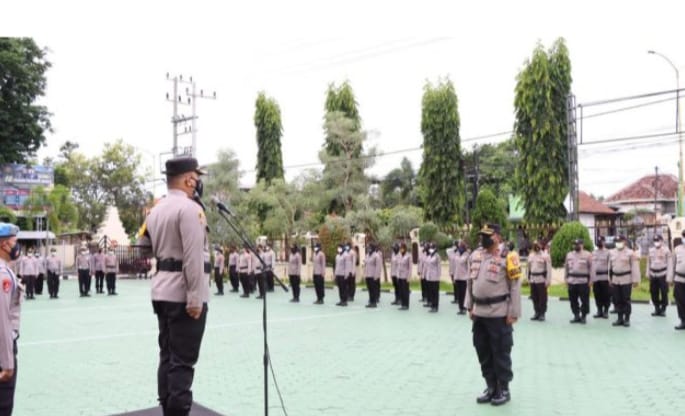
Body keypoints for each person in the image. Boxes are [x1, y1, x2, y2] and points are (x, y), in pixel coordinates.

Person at [137, 156, 210, 416]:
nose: (198, 182)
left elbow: (142, 248)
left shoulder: (155, 210)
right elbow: (193, 257)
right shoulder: (191, 210)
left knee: (167, 355)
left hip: (162, 291)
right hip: (183, 295)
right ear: (189, 179)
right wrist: (195, 298)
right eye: (196, 177)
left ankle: (168, 408)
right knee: (183, 362)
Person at [466, 224, 521, 406]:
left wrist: (513, 312)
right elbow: (469, 282)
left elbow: (515, 286)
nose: (484, 239)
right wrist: (469, 306)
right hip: (479, 313)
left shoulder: (509, 257)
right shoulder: (476, 255)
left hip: (498, 313)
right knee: (482, 350)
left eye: (487, 235)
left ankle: (503, 389)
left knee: (500, 352)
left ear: (497, 236)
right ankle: (491, 387)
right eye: (482, 235)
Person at [0, 223, 23, 414]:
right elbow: (2, 321)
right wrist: (7, 364)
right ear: (4, 245)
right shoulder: (3, 275)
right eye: (14, 241)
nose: (17, 246)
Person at [609, 235, 640, 327]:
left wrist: (635, 280)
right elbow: (609, 267)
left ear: (624, 242)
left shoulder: (630, 253)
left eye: (620, 241)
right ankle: (619, 318)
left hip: (626, 279)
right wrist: (609, 279)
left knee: (626, 299)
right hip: (615, 279)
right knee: (617, 299)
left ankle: (626, 318)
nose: (618, 243)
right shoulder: (612, 252)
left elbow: (634, 267)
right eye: (617, 241)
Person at [564, 239, 593, 324]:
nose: (576, 246)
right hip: (572, 281)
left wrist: (591, 280)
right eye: (574, 244)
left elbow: (592, 268)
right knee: (573, 300)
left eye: (578, 244)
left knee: (584, 300)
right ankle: (576, 315)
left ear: (582, 245)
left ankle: (583, 316)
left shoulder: (588, 255)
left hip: (583, 281)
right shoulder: (569, 255)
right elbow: (566, 267)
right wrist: (565, 278)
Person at [647, 235, 672, 317]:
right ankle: (657, 308)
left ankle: (663, 309)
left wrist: (669, 276)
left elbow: (670, 264)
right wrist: (648, 273)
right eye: (655, 241)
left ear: (661, 241)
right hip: (653, 274)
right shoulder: (651, 250)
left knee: (664, 292)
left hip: (663, 274)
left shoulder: (666, 250)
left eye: (658, 240)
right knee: (653, 292)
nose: (656, 242)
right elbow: (648, 262)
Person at [527, 240, 551, 321]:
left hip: (541, 279)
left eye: (537, 245)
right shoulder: (531, 255)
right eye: (534, 245)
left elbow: (548, 269)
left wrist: (548, 280)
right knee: (534, 297)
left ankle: (542, 313)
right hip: (533, 279)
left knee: (542, 298)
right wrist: (528, 278)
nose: (536, 247)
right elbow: (528, 268)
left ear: (541, 245)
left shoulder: (545, 256)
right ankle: (536, 312)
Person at [591, 236, 611, 319]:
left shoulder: (608, 253)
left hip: (605, 277)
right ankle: (599, 310)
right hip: (596, 278)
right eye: (598, 241)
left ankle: (606, 311)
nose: (599, 243)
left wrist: (610, 278)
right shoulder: (593, 253)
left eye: (601, 241)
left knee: (606, 295)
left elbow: (610, 265)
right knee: (597, 295)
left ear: (604, 242)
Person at [670, 230, 685, 330]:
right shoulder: (677, 249)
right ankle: (683, 320)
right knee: (680, 301)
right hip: (679, 279)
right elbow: (673, 265)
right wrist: (671, 279)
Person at [451, 240, 470, 315]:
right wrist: (454, 276)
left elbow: (465, 264)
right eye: (459, 245)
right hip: (457, 276)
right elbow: (454, 264)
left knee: (464, 294)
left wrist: (469, 277)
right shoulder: (457, 253)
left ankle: (464, 308)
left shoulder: (467, 254)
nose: (459, 247)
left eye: (460, 245)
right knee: (459, 294)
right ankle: (460, 308)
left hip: (464, 277)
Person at [424, 242, 441, 313]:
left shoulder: (437, 256)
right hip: (429, 277)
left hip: (435, 277)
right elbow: (426, 266)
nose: (431, 249)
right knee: (431, 292)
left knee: (435, 293)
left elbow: (439, 267)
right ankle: (432, 305)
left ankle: (435, 306)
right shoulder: (429, 256)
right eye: (430, 247)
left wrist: (438, 277)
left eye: (432, 247)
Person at [364, 243, 382, 308]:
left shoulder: (376, 256)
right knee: (370, 289)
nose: (368, 249)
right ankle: (371, 302)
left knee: (373, 290)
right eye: (368, 247)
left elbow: (378, 267)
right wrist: (365, 274)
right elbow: (366, 265)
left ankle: (374, 303)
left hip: (373, 276)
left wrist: (376, 276)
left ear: (373, 248)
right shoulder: (367, 255)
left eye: (370, 247)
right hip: (367, 275)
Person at [397, 242, 411, 310]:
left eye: (402, 248)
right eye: (400, 248)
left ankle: (406, 305)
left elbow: (410, 268)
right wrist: (397, 275)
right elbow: (398, 266)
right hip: (400, 276)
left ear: (405, 248)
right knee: (401, 291)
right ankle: (403, 304)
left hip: (405, 276)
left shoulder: (408, 256)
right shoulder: (399, 255)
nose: (401, 249)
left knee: (405, 291)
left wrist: (408, 277)